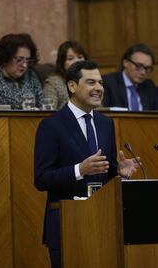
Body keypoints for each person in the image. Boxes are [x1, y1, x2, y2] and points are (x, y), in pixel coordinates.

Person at [34, 60, 140, 268]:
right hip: (67, 223)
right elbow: (41, 178)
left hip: (102, 223)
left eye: (100, 83)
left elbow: (106, 176)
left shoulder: (105, 124)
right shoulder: (51, 126)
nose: (99, 88)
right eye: (91, 82)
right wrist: (79, 170)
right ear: (72, 86)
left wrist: (120, 174)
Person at [102, 43, 158, 111]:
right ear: (125, 63)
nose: (143, 72)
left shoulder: (148, 85)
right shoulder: (109, 83)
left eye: (147, 68)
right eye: (138, 66)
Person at [43, 40, 88, 109]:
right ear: (62, 63)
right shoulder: (52, 83)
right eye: (70, 58)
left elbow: (99, 109)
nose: (77, 61)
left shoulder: (90, 81)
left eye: (80, 57)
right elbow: (48, 111)